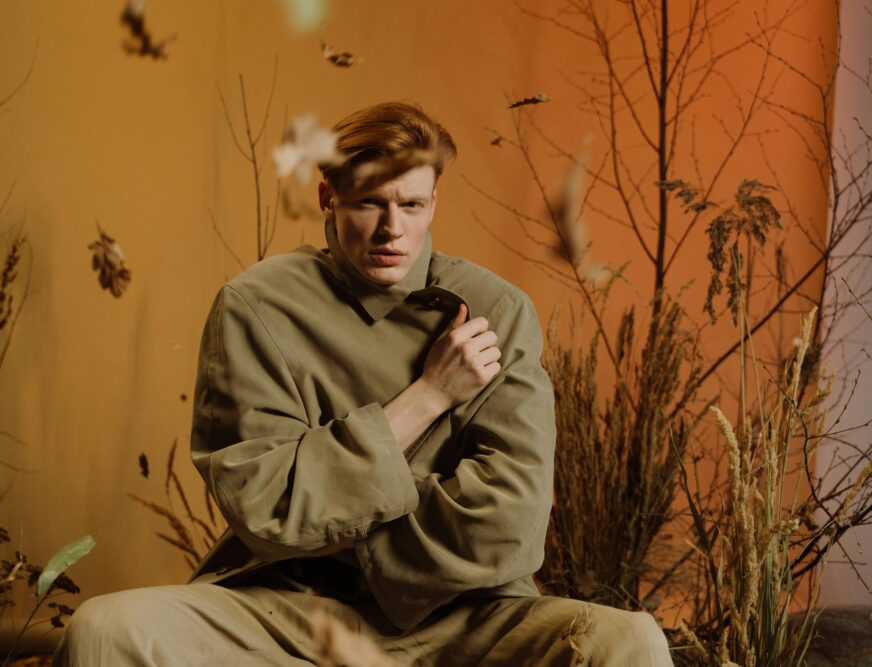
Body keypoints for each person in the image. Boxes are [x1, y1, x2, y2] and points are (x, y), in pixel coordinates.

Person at [53, 101, 673, 666]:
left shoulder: (499, 310)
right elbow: (264, 512)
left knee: (630, 640)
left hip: (470, 620)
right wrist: (428, 395)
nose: (391, 231)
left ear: (436, 203)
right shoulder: (257, 306)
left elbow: (508, 526)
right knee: (106, 630)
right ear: (329, 195)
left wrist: (329, 517)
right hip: (291, 614)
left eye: (412, 206)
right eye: (368, 203)